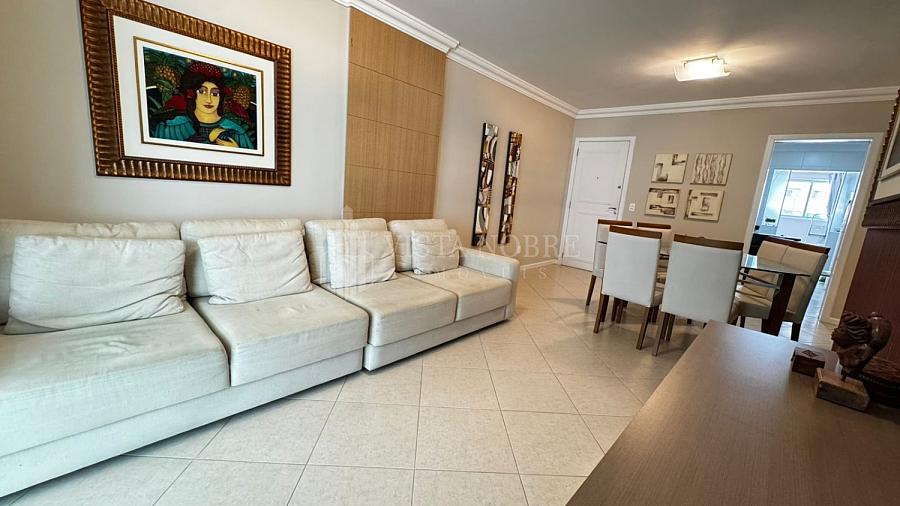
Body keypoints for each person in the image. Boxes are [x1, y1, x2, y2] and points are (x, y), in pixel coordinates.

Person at [153, 61, 254, 149]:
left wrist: (236, 149)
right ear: (190, 93)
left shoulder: (235, 129)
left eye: (215, 94)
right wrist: (210, 139)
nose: (209, 100)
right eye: (202, 91)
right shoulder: (171, 126)